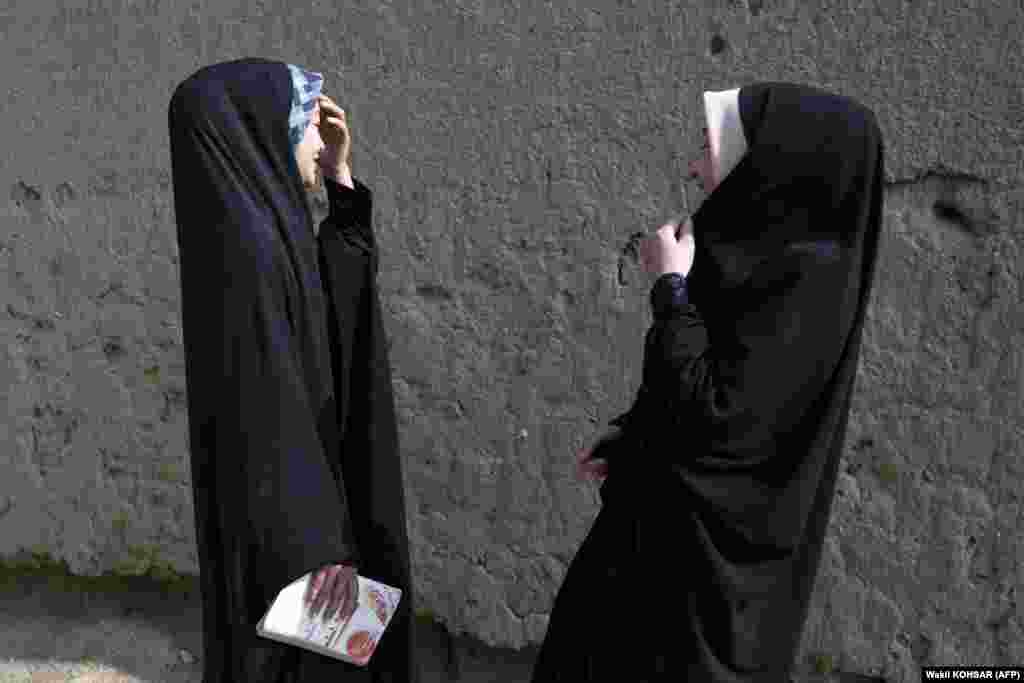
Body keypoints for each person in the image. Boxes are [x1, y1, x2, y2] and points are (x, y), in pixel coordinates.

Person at [531, 82, 885, 681]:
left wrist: (671, 291)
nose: (696, 168)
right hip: (648, 565)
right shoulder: (755, 263)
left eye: (709, 147)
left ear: (773, 165)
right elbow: (703, 404)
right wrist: (635, 439)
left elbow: (717, 417)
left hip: (695, 607)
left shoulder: (806, 289)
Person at [168, 57, 416, 682]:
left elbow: (332, 311)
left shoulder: (265, 232)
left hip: (301, 524)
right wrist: (318, 547)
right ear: (260, 131)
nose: (315, 137)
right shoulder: (247, 255)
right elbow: (267, 408)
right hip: (291, 539)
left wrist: (341, 183)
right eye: (303, 123)